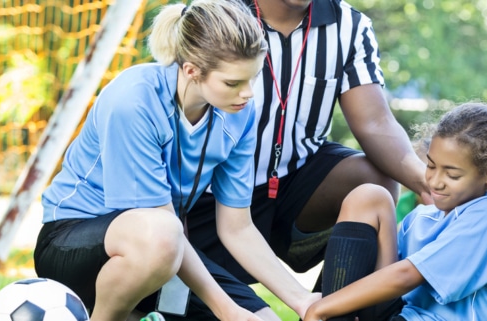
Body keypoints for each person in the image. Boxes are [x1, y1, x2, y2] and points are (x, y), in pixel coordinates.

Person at [32, 1, 317, 320]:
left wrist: (302, 299)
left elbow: (237, 228)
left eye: (252, 79)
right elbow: (159, 228)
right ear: (191, 70)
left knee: (265, 319)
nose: (248, 94)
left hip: (164, 251)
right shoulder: (133, 100)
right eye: (233, 83)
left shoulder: (240, 113)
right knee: (164, 234)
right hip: (71, 245)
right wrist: (226, 310)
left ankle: (143, 308)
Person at [183, 0, 431, 318]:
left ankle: (337, 311)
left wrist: (427, 183)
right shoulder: (218, 13)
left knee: (375, 180)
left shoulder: (350, 26)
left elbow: (375, 122)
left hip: (296, 186)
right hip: (211, 197)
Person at [305, 102, 487, 321]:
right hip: (400, 314)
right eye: (431, 166)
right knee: (369, 197)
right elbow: (376, 275)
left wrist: (321, 307)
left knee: (328, 306)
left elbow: (406, 276)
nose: (435, 182)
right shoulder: (420, 218)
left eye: (452, 175)